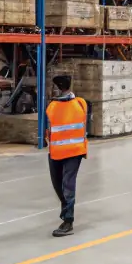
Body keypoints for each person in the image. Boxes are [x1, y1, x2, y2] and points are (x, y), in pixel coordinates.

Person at [45, 72, 88, 237]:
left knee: (67, 185)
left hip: (73, 151)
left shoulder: (74, 104)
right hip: (57, 152)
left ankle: (68, 220)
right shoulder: (77, 104)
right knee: (60, 186)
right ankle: (66, 211)